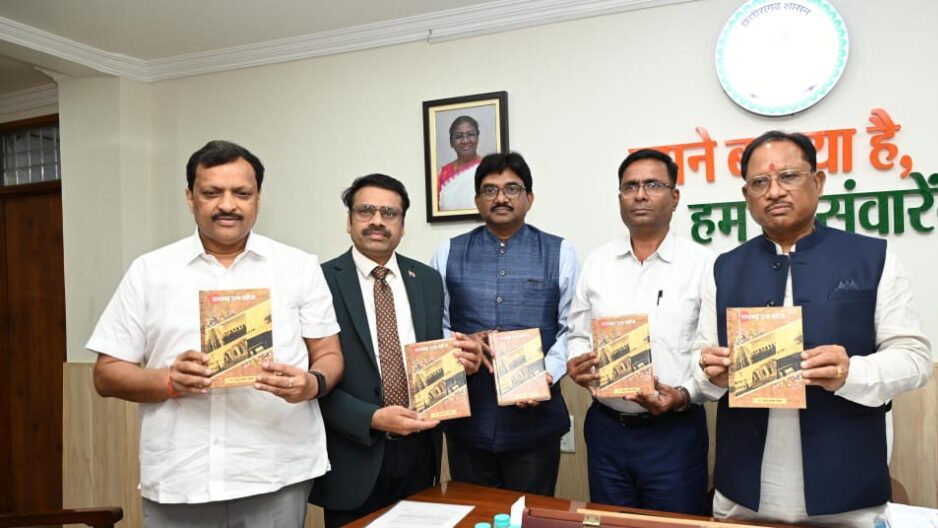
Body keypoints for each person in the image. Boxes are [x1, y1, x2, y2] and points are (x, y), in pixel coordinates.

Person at [88, 140, 343, 527]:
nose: (228, 205)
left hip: (275, 472)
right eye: (211, 193)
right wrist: (169, 380)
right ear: (190, 198)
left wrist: (311, 383)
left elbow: (329, 354)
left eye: (242, 193)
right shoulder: (149, 271)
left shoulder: (299, 266)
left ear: (258, 198)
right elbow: (106, 374)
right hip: (182, 478)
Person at [694, 130, 932, 526]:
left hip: (849, 496)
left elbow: (915, 359)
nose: (774, 191)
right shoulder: (723, 268)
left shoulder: (873, 257)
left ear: (818, 182)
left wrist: (852, 371)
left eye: (788, 176)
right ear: (746, 195)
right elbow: (700, 361)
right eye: (760, 182)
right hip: (743, 498)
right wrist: (710, 373)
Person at [310, 173, 485, 527]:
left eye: (389, 213)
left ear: (402, 226)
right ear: (349, 221)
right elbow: (312, 379)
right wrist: (371, 418)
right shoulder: (319, 280)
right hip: (353, 454)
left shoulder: (428, 280)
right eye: (366, 211)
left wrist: (462, 366)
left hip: (419, 452)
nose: (377, 221)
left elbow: (433, 359)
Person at [565, 149, 713, 514]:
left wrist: (682, 395)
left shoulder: (702, 265)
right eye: (630, 186)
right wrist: (577, 363)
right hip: (606, 431)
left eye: (653, 185)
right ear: (620, 197)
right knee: (611, 522)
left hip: (674, 432)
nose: (640, 194)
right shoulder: (598, 262)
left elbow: (711, 349)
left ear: (674, 197)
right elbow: (578, 335)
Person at [431, 152, 580, 496]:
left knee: (528, 515)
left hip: (536, 425)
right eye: (490, 190)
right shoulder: (448, 252)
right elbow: (436, 322)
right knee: (473, 515)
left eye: (512, 189)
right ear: (477, 200)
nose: (501, 198)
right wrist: (458, 349)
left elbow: (572, 327)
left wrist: (548, 373)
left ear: (530, 197)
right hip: (467, 422)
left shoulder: (561, 252)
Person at [437, 115, 483, 211]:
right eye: (458, 136)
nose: (465, 141)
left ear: (477, 138)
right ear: (451, 142)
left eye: (470, 134)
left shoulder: (487, 167)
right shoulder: (443, 174)